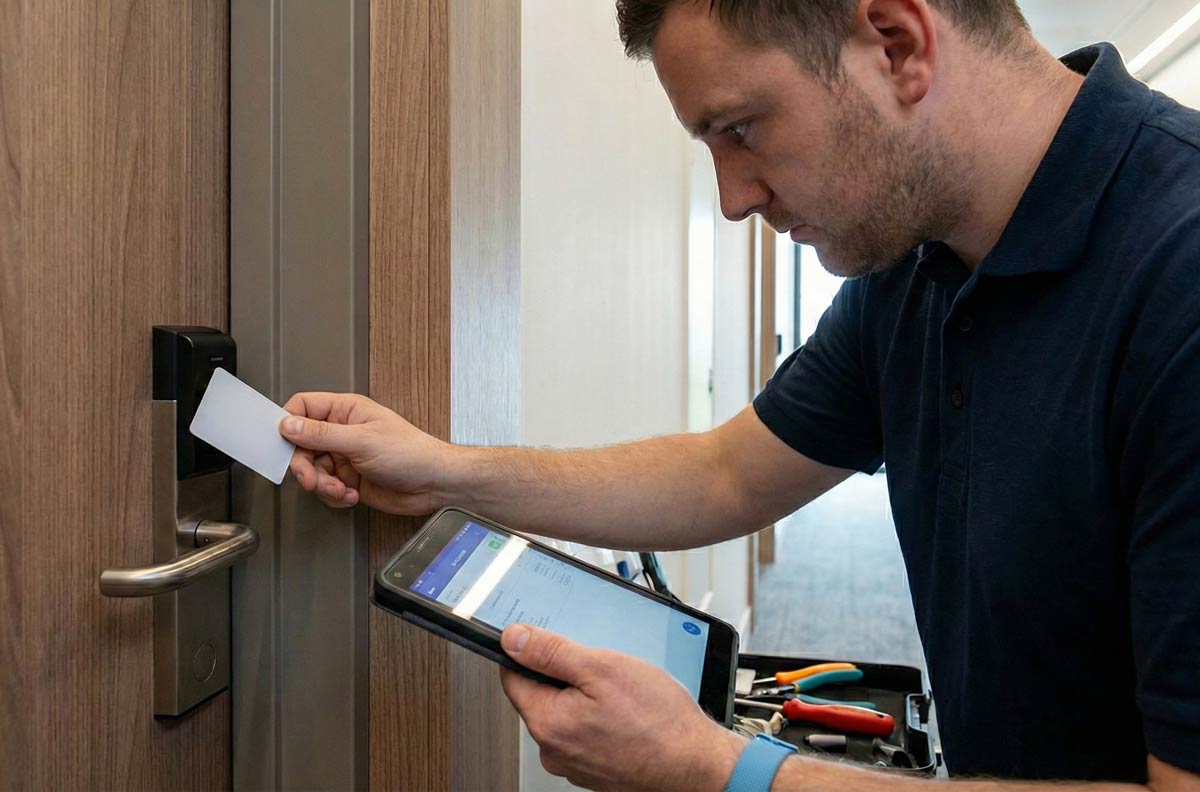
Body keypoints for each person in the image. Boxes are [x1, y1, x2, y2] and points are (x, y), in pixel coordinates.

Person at [276, 0, 1200, 789]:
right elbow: (727, 473)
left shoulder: (1178, 278)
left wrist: (726, 770)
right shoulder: (917, 265)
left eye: (740, 129)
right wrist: (446, 473)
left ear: (897, 44)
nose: (730, 198)